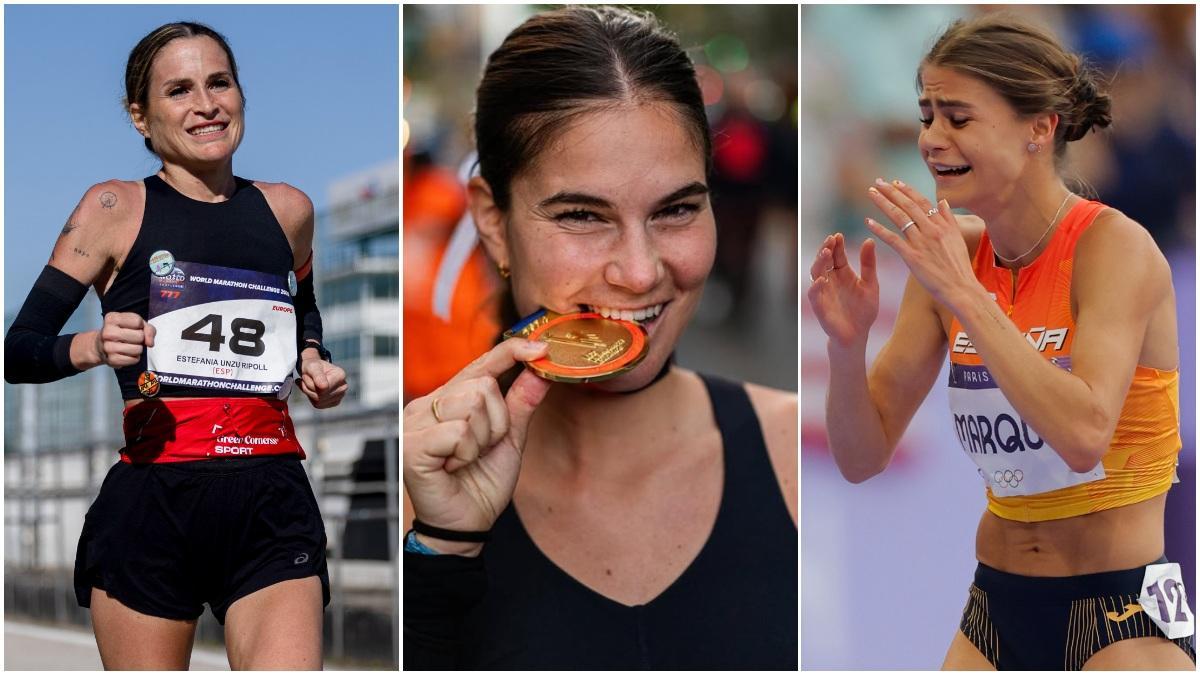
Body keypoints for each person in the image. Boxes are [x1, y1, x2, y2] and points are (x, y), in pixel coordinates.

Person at [402, 6, 797, 669]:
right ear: (493, 221)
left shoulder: (799, 460)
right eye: (583, 215)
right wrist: (439, 552)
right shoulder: (412, 488)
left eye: (676, 209)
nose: (640, 272)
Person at [808, 13, 1194, 671]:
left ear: (1039, 129)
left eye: (958, 118)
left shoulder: (1114, 248)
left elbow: (1083, 433)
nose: (931, 138)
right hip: (996, 602)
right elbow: (861, 455)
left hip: (1125, 608)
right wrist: (848, 348)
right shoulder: (948, 261)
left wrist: (968, 296)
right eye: (926, 114)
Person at [4, 22, 347, 669]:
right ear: (141, 115)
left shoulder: (288, 210)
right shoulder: (113, 208)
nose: (207, 103)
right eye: (179, 90)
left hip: (270, 496)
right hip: (153, 505)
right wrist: (90, 346)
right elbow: (17, 350)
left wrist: (312, 358)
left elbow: (304, 310)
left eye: (219, 82)